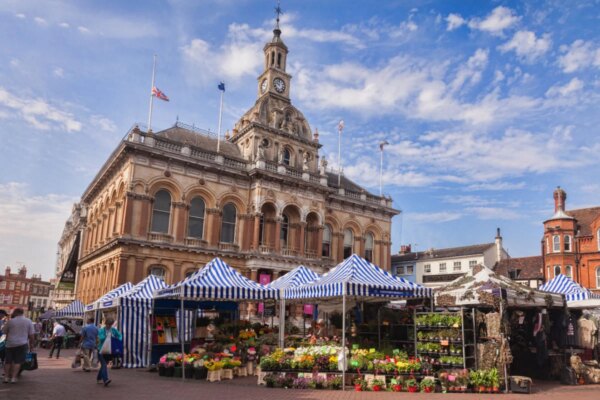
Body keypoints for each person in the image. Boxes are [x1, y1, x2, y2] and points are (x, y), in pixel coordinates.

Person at [1, 308, 34, 384]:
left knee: (8, 361)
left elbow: (4, 331)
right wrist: (32, 345)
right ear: (22, 313)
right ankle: (13, 378)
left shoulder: (10, 321)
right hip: (22, 344)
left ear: (15, 313)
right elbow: (31, 335)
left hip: (10, 344)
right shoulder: (28, 321)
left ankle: (6, 377)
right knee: (18, 361)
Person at [97, 318, 122, 387]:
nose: (109, 326)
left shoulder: (113, 330)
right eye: (108, 324)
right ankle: (106, 380)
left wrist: (118, 339)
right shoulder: (101, 330)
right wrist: (107, 337)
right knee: (104, 364)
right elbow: (101, 338)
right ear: (106, 323)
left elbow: (120, 335)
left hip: (109, 351)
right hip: (101, 350)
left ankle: (99, 378)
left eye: (111, 324)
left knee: (103, 365)